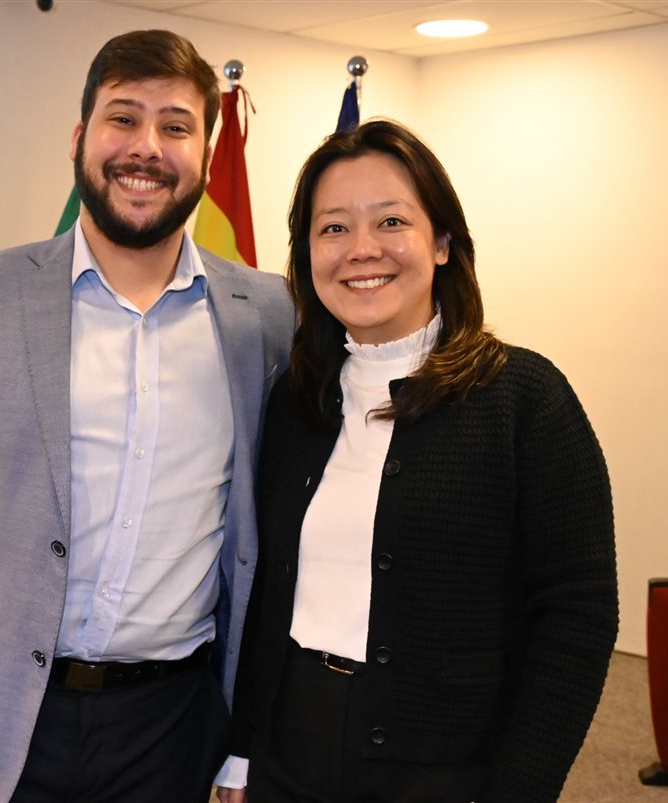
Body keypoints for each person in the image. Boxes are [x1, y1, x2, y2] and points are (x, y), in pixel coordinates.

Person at [0, 29, 293, 803]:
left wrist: (244, 748)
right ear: (80, 137)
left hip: (174, 721)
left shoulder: (266, 316)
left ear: (205, 150)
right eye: (123, 119)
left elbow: (269, 543)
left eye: (175, 126)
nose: (146, 148)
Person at [217, 119, 618, 803]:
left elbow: (578, 616)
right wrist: (241, 753)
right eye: (333, 228)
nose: (361, 249)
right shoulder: (296, 399)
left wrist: (521, 787)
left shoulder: (524, 398)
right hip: (289, 755)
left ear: (441, 243)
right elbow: (267, 590)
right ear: (307, 254)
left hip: (446, 771)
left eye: (391, 221)